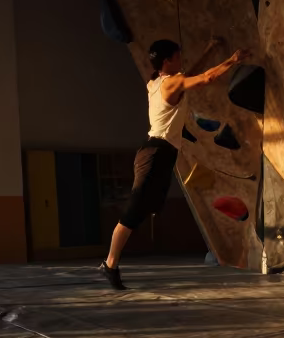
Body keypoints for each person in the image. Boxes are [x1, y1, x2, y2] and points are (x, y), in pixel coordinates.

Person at [99, 37, 249, 289]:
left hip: (161, 153)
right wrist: (232, 60)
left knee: (148, 207)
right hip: (155, 153)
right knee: (133, 211)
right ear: (167, 61)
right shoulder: (171, 83)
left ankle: (111, 263)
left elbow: (187, 75)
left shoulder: (156, 81)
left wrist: (209, 49)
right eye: (177, 56)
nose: (181, 61)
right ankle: (110, 265)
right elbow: (205, 78)